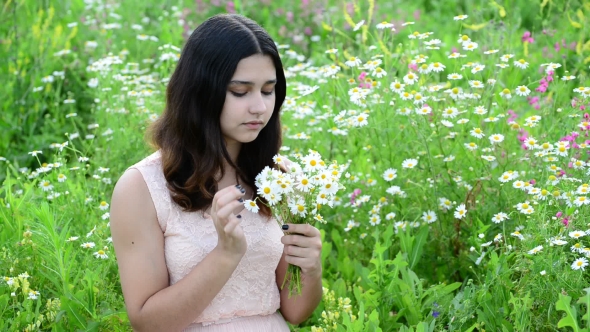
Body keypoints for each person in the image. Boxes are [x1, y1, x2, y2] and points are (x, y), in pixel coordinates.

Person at [110, 14, 323, 332]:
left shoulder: (281, 177)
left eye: (268, 90)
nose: (259, 107)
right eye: (240, 91)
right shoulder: (142, 187)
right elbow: (146, 322)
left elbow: (295, 312)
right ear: (200, 92)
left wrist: (310, 268)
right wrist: (225, 256)